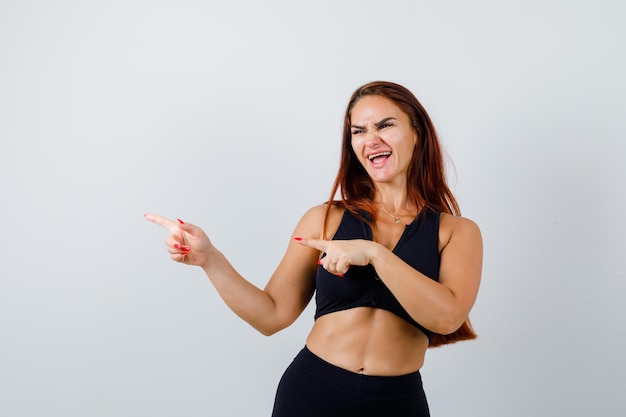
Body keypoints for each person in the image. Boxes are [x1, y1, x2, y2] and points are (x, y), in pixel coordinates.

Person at [145, 81, 482, 416]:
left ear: (417, 132)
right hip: (312, 393)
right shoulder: (324, 219)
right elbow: (271, 316)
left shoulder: (456, 232)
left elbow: (447, 318)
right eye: (359, 131)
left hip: (397, 403)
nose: (371, 139)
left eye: (385, 125)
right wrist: (210, 260)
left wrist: (374, 254)